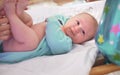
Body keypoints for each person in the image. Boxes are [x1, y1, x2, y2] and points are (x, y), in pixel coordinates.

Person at [3, 0, 98, 52]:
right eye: (77, 22)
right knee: (29, 21)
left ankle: (11, 14)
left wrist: (52, 21)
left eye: (83, 32)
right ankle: (19, 12)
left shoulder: (66, 44)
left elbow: (55, 42)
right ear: (71, 18)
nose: (76, 29)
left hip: (16, 47)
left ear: (82, 42)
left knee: (31, 41)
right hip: (18, 32)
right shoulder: (62, 20)